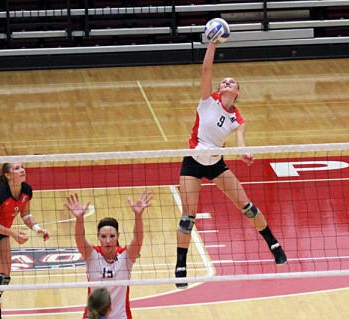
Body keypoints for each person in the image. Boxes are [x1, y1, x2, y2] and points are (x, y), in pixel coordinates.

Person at [174, 41, 287, 289]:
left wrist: (244, 153)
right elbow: (206, 69)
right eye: (223, 81)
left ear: (237, 92)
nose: (227, 83)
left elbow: (240, 141)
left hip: (216, 164)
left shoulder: (238, 118)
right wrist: (212, 44)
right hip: (192, 162)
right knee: (187, 217)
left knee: (248, 207)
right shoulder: (207, 100)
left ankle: (274, 245)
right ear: (218, 88)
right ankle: (180, 266)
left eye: (232, 82)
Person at [0, 163, 50, 319]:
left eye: (22, 167)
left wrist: (37, 229)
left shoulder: (26, 190)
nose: (22, 170)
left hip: (1, 231)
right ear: (8, 175)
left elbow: (26, 215)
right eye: (16, 168)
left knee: (5, 278)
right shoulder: (0, 193)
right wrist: (13, 233)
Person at [64, 190, 153, 319]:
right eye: (103, 236)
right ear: (98, 237)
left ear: (118, 237)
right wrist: (79, 219)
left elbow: (138, 239)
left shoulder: (125, 257)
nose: (108, 240)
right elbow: (80, 239)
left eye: (112, 236)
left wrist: (138, 216)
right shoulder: (92, 255)